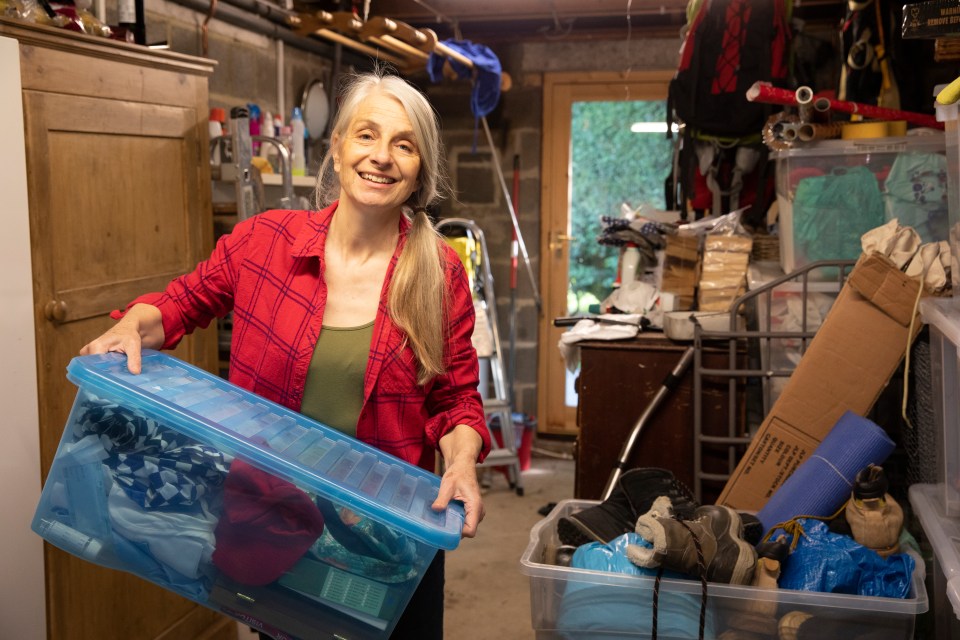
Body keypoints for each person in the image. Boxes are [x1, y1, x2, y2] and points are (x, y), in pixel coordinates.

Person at [80, 68, 490, 639]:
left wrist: (464, 463)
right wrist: (130, 325)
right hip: (273, 524)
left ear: (421, 167)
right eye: (367, 135)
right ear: (339, 145)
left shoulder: (439, 272)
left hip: (385, 536)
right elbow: (176, 306)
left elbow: (456, 399)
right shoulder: (263, 243)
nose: (382, 157)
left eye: (405, 144)